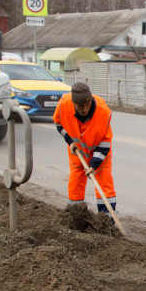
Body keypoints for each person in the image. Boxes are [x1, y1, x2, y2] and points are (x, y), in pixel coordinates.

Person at [53, 82, 117, 215]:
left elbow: (105, 142)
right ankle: (75, 215)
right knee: (76, 184)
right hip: (77, 153)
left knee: (104, 184)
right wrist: (69, 141)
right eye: (81, 106)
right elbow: (59, 123)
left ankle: (107, 220)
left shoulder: (103, 111)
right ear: (74, 104)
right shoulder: (64, 105)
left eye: (87, 105)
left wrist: (94, 164)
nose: (85, 109)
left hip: (100, 155)